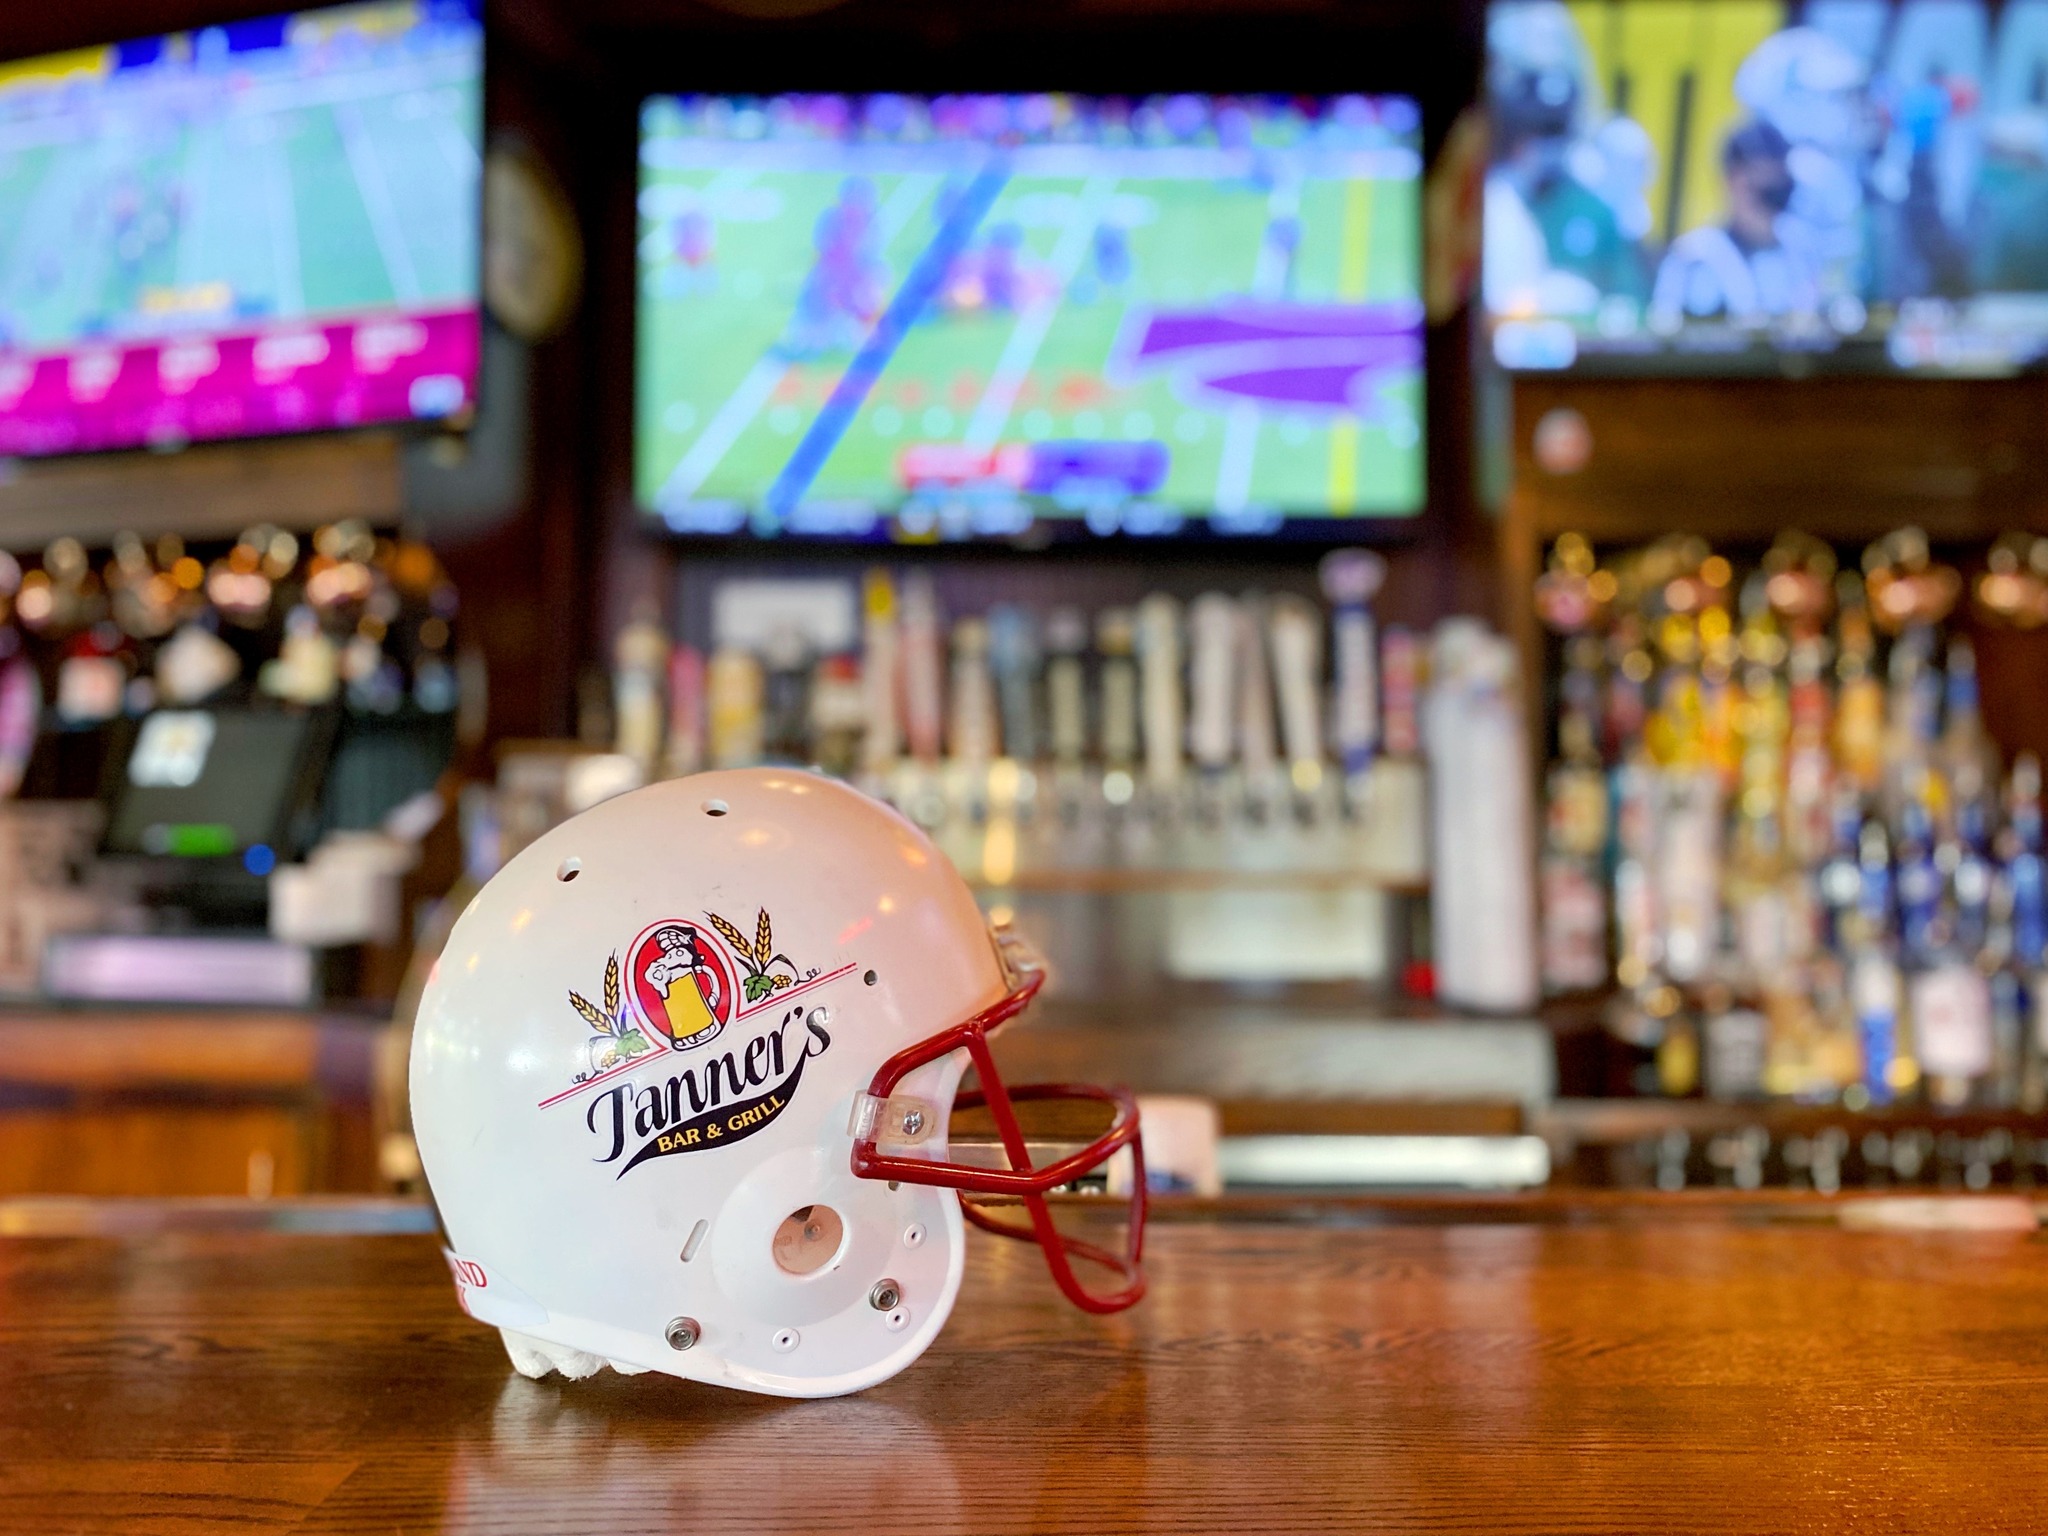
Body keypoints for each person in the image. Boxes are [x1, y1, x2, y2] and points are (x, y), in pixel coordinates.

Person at [1650, 121, 1818, 328]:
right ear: (1731, 181)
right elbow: (1666, 332)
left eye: (1779, 192)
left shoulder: (1800, 251)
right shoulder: (1695, 256)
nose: (1769, 205)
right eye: (1759, 190)